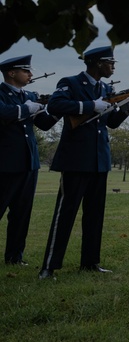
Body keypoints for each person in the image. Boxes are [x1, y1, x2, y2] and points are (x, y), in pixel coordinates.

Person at [40, 46, 129, 278]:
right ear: (98, 63)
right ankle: (50, 265)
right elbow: (55, 105)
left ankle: (90, 262)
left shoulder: (106, 88)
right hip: (75, 160)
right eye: (110, 62)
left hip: (100, 160)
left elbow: (112, 122)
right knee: (65, 214)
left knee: (95, 215)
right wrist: (89, 105)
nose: (113, 67)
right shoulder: (70, 83)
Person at [0, 55, 58, 267]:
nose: (30, 74)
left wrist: (58, 109)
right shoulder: (2, 94)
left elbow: (44, 124)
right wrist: (27, 109)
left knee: (21, 213)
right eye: (26, 71)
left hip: (28, 162)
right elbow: (3, 113)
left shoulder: (31, 96)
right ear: (11, 73)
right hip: (5, 164)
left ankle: (15, 257)